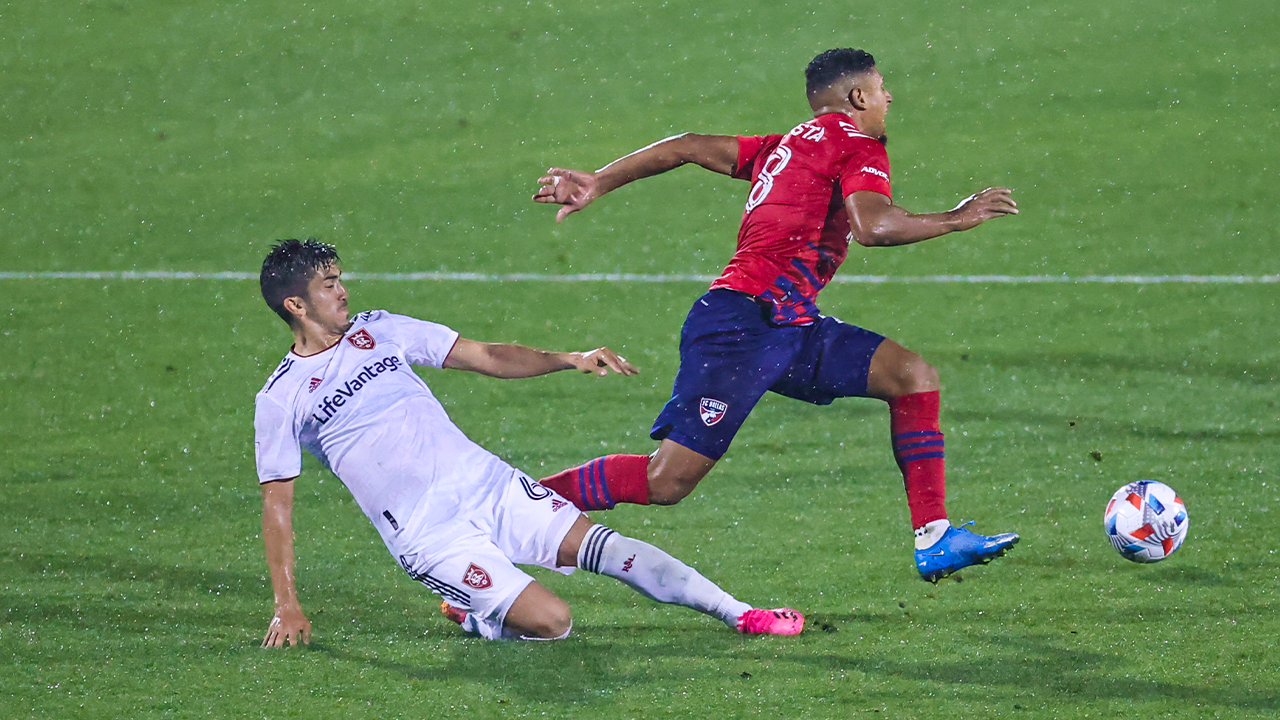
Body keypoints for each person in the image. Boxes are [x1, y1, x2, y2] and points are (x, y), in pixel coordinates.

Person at [532, 48, 1019, 583]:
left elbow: (689, 146)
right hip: (741, 327)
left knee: (912, 376)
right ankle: (513, 504)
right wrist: (955, 218)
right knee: (664, 483)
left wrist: (600, 179)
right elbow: (873, 228)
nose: (889, 97)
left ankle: (935, 538)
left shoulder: (788, 145)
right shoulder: (859, 146)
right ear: (858, 97)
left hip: (788, 323)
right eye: (882, 87)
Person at [253, 238, 803, 647]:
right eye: (328, 285)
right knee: (553, 622)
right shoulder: (281, 397)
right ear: (296, 306)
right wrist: (286, 604)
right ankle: (478, 614)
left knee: (610, 550)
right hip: (429, 532)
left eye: (339, 278)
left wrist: (567, 358)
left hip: (488, 484)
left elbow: (485, 355)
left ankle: (740, 613)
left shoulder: (380, 329)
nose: (343, 290)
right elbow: (277, 505)